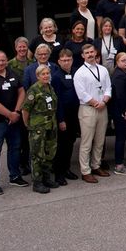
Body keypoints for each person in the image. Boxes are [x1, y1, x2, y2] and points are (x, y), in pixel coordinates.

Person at [0, 51, 28, 194]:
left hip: (14, 120)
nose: (1, 63)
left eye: (3, 60)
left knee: (14, 148)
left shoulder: (12, 73)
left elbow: (22, 92)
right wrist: (9, 115)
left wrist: (16, 111)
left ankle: (14, 176)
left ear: (7, 61)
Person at [74, 44, 112, 184]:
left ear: (96, 53)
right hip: (88, 109)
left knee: (100, 140)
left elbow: (108, 87)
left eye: (92, 52)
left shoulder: (103, 70)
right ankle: (85, 171)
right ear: (83, 55)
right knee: (86, 142)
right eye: (87, 53)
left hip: (103, 107)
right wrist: (96, 103)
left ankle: (96, 166)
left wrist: (105, 100)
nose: (90, 54)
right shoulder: (79, 73)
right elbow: (81, 93)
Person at [21, 64, 58, 194]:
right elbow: (25, 110)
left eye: (47, 73)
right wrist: (28, 125)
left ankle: (47, 178)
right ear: (37, 76)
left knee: (49, 152)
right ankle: (37, 182)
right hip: (38, 127)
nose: (46, 76)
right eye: (43, 74)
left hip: (51, 126)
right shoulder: (34, 90)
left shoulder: (50, 87)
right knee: (37, 155)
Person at [51, 49, 79, 186]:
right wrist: (61, 119)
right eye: (63, 60)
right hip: (63, 115)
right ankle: (59, 173)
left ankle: (67, 168)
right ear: (59, 61)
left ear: (72, 60)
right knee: (62, 145)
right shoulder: (56, 77)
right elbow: (57, 100)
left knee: (70, 143)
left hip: (75, 114)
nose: (66, 62)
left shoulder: (76, 72)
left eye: (68, 60)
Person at [109, 52, 126, 176]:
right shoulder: (119, 76)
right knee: (120, 138)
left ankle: (121, 160)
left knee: (123, 137)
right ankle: (119, 165)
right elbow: (120, 95)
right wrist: (125, 110)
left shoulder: (124, 72)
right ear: (117, 62)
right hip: (121, 112)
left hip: (122, 111)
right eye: (123, 60)